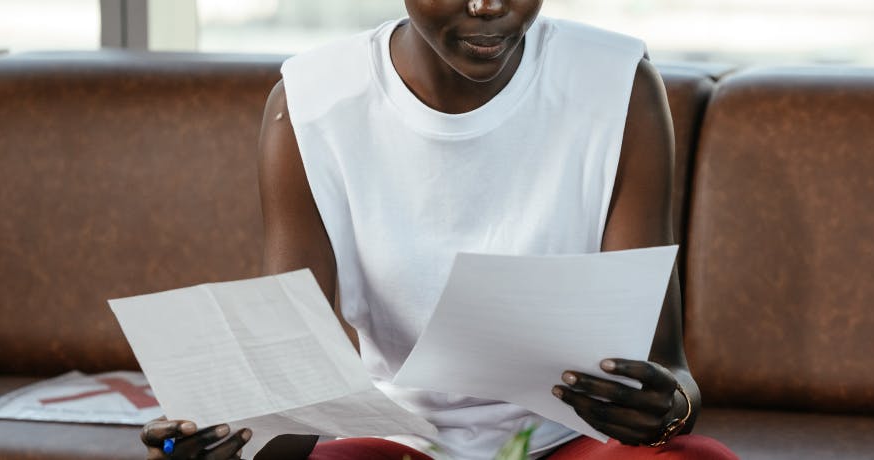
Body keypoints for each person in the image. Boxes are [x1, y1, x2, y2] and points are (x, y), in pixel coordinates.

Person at [141, 1, 738, 459]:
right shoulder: (310, 107)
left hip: (567, 443)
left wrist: (669, 408)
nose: (487, 5)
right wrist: (227, 441)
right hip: (401, 443)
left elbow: (670, 370)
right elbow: (296, 394)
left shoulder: (618, 87)